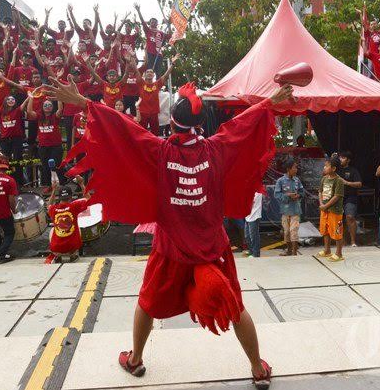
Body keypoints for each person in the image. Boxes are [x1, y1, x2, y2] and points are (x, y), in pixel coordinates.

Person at [46, 78, 290, 389]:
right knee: (235, 307)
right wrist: (270, 102)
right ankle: (258, 369)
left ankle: (135, 360)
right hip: (212, 249)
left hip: (171, 249)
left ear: (171, 123)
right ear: (200, 125)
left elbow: (124, 128)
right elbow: (242, 125)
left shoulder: (159, 151)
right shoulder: (217, 148)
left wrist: (85, 103)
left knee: (147, 304)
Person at [26, 96, 67, 190]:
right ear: (42, 107)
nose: (47, 106)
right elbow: (29, 111)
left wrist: (58, 96)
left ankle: (61, 185)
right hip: (43, 146)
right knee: (45, 167)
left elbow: (60, 109)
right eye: (45, 105)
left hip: (55, 146)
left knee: (56, 165)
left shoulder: (55, 116)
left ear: (52, 107)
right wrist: (31, 98)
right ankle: (49, 186)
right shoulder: (39, 116)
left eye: (49, 105)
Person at [45, 179, 89, 264]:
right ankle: (73, 255)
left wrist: (53, 190)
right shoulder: (74, 206)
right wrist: (81, 183)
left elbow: (48, 205)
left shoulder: (53, 209)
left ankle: (57, 256)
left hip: (56, 249)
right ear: (71, 197)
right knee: (77, 228)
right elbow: (89, 199)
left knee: (52, 230)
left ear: (59, 197)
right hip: (71, 248)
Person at [273, 158, 304, 257]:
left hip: (295, 210)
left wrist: (298, 195)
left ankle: (294, 253)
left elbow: (302, 192)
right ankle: (289, 250)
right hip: (285, 211)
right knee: (286, 232)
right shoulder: (280, 181)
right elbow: (277, 195)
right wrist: (288, 196)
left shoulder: (297, 180)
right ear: (288, 169)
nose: (296, 169)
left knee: (293, 231)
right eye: (294, 168)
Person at [317, 155, 344, 262]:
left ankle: (339, 253)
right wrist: (321, 204)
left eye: (327, 166)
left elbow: (337, 196)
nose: (324, 167)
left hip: (335, 211)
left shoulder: (338, 180)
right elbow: (320, 192)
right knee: (325, 231)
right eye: (325, 166)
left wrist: (325, 206)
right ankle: (327, 250)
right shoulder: (324, 179)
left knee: (337, 232)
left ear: (333, 168)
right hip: (324, 210)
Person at [336, 151, 363, 247]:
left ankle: (353, 241)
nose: (340, 159)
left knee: (350, 217)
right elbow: (324, 174)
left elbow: (359, 184)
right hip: (337, 197)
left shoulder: (353, 170)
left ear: (348, 160)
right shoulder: (335, 169)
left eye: (343, 158)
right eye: (340, 157)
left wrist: (347, 183)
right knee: (338, 219)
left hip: (350, 196)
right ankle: (342, 241)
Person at [244, 192, 263, 258]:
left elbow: (251, 202)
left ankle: (256, 254)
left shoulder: (258, 192)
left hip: (255, 216)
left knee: (254, 236)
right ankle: (251, 251)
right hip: (247, 216)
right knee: (247, 236)